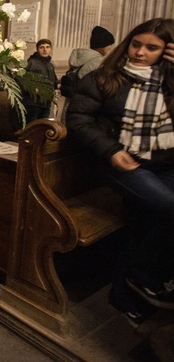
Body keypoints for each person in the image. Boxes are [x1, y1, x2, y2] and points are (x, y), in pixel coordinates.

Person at [66, 18, 174, 327]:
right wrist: (111, 150)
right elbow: (78, 118)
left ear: (167, 51)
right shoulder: (105, 78)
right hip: (123, 163)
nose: (140, 53)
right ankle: (143, 277)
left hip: (166, 163)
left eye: (152, 48)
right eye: (136, 44)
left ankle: (125, 297)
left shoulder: (168, 80)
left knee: (145, 223)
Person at [24, 38, 58, 122]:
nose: (45, 50)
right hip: (33, 103)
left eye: (47, 47)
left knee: (42, 127)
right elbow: (25, 80)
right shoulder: (32, 63)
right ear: (37, 49)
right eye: (42, 47)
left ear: (51, 49)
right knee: (32, 127)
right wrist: (34, 89)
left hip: (46, 103)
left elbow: (54, 80)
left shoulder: (50, 65)